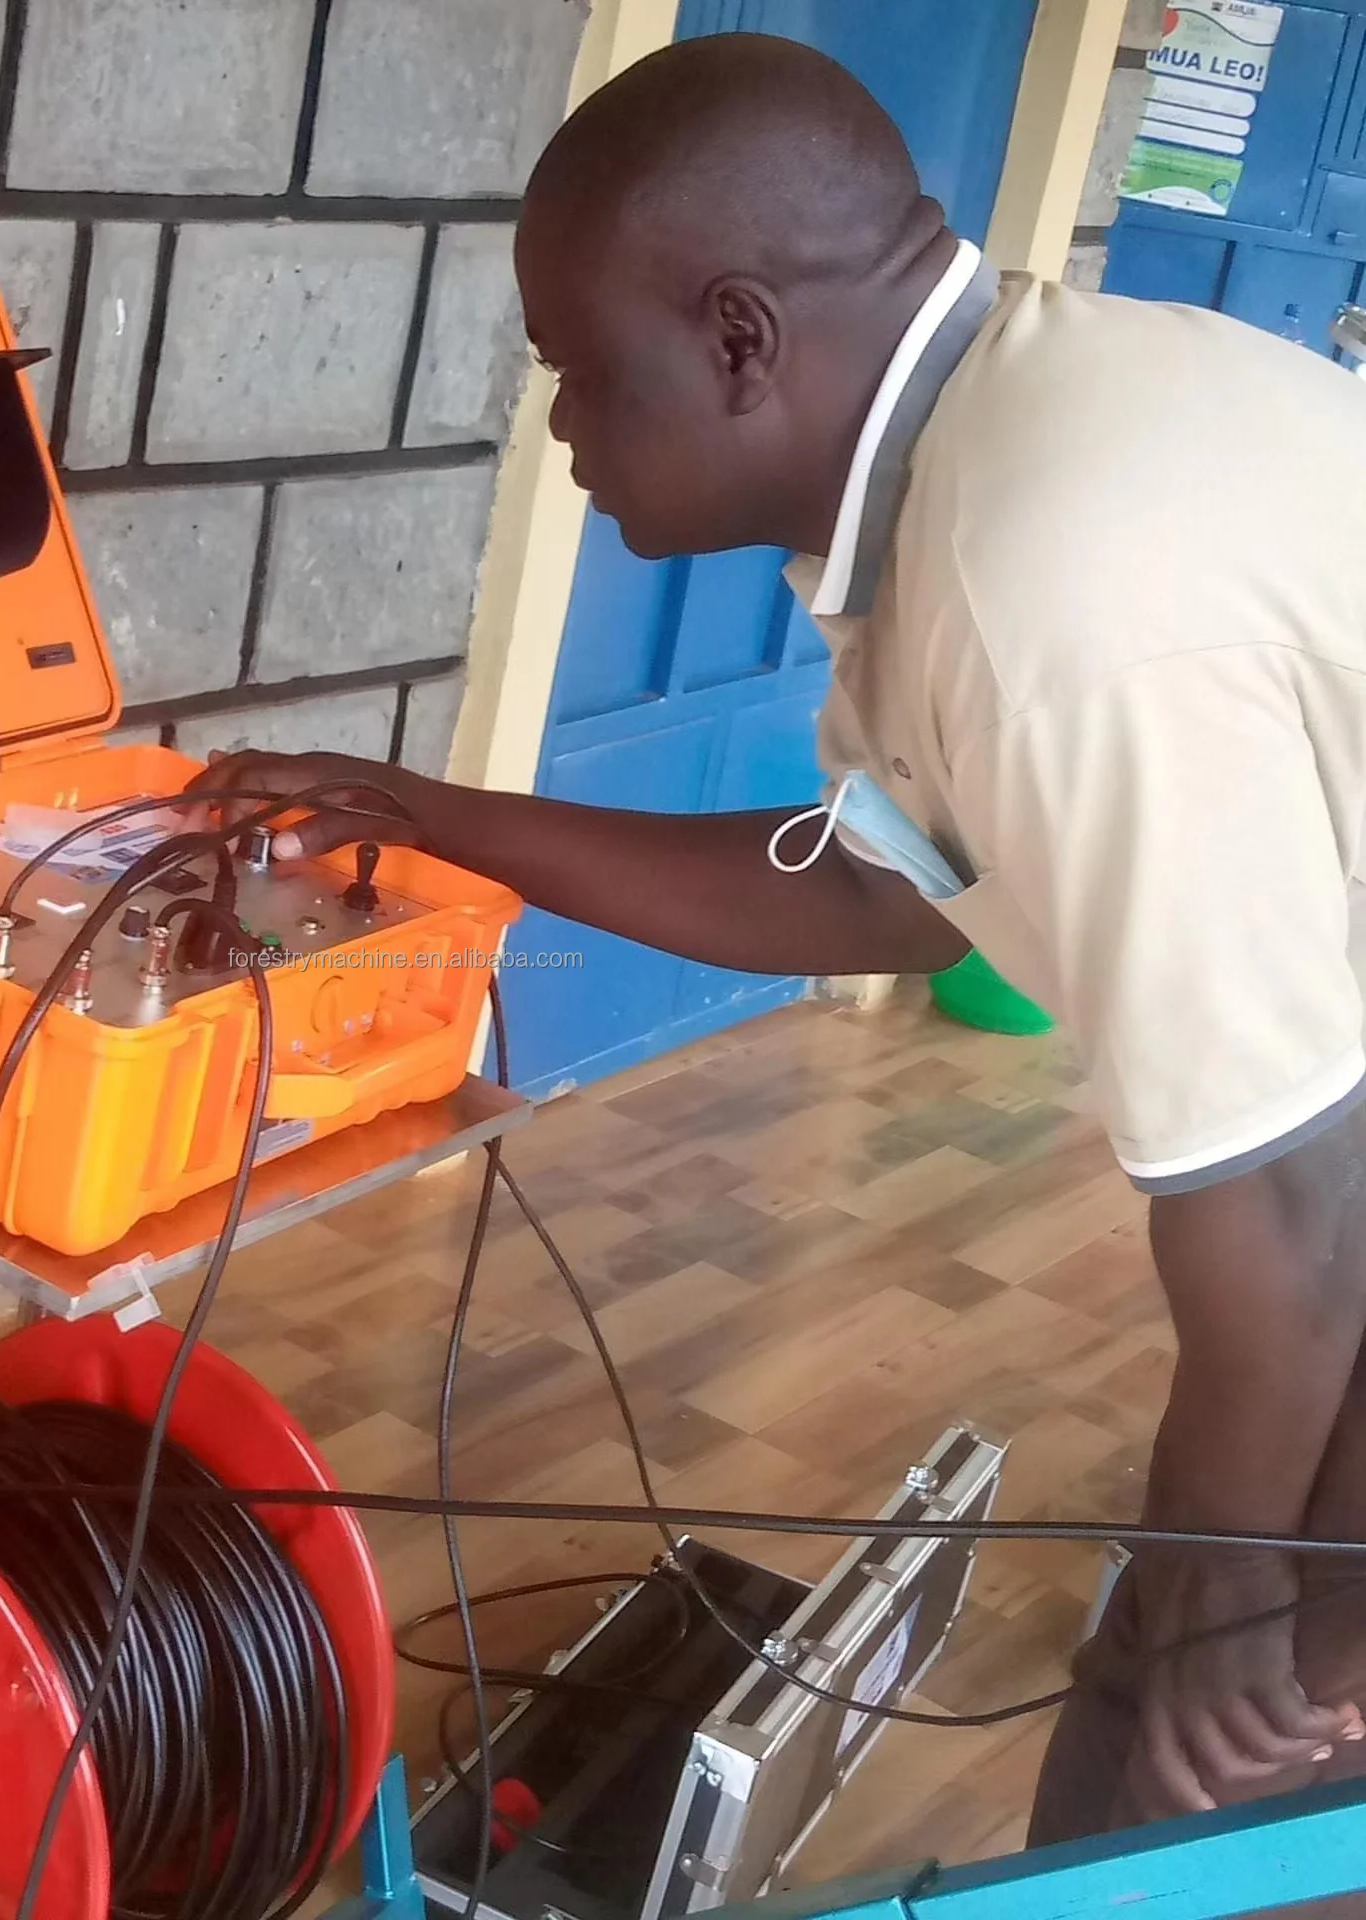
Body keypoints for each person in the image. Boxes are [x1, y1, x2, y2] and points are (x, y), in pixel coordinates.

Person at [190, 30, 1366, 1875]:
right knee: (1177, 1685)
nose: (563, 430)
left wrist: (1236, 1622)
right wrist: (425, 814)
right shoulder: (989, 449)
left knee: (1238, 1763)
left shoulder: (1053, 580)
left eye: (583, 373)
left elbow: (1295, 1220)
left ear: (740, 338)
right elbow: (874, 894)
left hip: (1331, 1201)